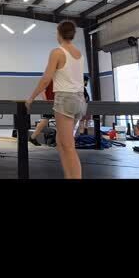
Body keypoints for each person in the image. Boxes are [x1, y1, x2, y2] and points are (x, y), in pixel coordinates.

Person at [25, 19, 87, 179]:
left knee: (69, 147)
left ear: (59, 33)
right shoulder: (78, 53)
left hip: (66, 100)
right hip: (80, 101)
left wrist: (31, 97)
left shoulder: (57, 52)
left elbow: (46, 79)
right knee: (61, 143)